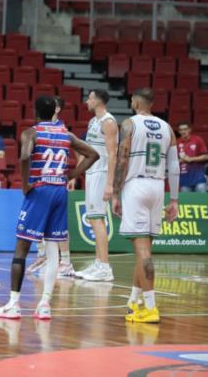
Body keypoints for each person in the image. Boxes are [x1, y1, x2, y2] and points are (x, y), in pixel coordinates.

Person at [0, 95, 99, 320]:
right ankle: (44, 305)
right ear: (54, 112)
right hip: (60, 191)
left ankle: (13, 304)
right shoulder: (66, 134)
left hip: (40, 190)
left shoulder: (31, 132)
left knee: (21, 248)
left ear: (35, 111)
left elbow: (24, 156)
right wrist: (71, 175)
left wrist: (25, 184)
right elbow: (93, 154)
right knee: (54, 251)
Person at [112, 88, 179, 324]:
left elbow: (122, 159)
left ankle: (150, 306)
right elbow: (175, 165)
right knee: (143, 249)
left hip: (136, 185)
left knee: (143, 252)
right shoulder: (167, 127)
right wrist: (175, 200)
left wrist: (116, 192)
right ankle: (134, 302)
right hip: (158, 187)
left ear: (136, 101)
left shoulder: (129, 124)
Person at [26, 96, 77, 277]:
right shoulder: (38, 129)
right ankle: (42, 256)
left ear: (56, 109)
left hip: (55, 182)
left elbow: (79, 151)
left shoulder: (62, 129)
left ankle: (66, 262)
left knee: (58, 225)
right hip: (40, 181)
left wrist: (72, 175)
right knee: (39, 221)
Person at [76, 89, 118, 282]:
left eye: (90, 98)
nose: (87, 101)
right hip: (92, 173)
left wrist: (110, 184)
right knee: (93, 219)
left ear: (98, 101)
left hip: (102, 175)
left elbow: (112, 155)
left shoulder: (108, 122)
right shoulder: (94, 122)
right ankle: (99, 262)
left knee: (98, 219)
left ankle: (105, 267)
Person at [177, 123, 208, 193]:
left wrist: (191, 159)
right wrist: (182, 160)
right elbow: (174, 161)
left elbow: (206, 156)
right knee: (187, 202)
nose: (183, 131)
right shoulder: (177, 143)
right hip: (184, 179)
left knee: (202, 201)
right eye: (181, 130)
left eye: (185, 129)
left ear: (189, 130)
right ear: (179, 131)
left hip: (199, 177)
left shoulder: (197, 140)